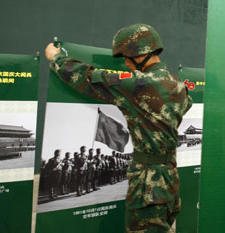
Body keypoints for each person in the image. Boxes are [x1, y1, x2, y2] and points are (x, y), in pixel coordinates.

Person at [45, 23, 192, 233]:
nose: (125, 64)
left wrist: (56, 58)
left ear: (139, 55)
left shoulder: (138, 84)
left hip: (147, 185)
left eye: (126, 57)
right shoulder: (178, 85)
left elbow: (88, 78)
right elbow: (187, 104)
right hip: (170, 180)